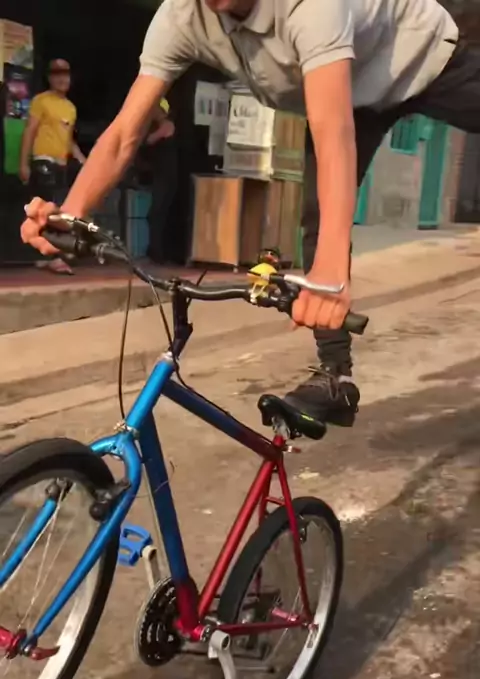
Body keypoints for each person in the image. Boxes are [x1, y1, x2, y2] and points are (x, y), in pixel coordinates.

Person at [20, 0, 480, 429]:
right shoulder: (182, 15)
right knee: (316, 215)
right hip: (352, 94)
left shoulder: (309, 7)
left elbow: (332, 132)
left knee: (328, 250)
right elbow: (126, 131)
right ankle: (335, 377)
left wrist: (331, 277)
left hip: (417, 57)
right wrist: (70, 216)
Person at [20, 58, 85, 274]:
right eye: (56, 74)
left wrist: (84, 161)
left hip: (61, 163)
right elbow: (30, 131)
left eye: (65, 74)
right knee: (45, 208)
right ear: (49, 78)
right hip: (43, 160)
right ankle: (53, 257)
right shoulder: (41, 101)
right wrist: (24, 163)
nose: (61, 79)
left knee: (57, 209)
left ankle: (45, 254)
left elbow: (69, 140)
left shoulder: (71, 108)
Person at [144, 98, 178, 264]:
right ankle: (155, 250)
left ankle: (157, 252)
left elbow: (149, 140)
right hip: (161, 174)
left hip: (166, 176)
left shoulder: (167, 126)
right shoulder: (158, 126)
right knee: (157, 214)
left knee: (157, 213)